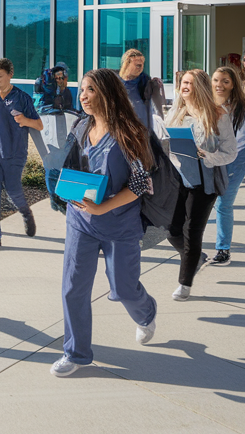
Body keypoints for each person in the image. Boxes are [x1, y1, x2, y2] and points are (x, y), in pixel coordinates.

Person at [52, 69, 157, 378]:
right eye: (81, 90)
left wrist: (106, 206)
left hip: (119, 224)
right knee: (73, 288)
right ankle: (76, 352)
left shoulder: (130, 131)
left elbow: (140, 184)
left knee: (124, 289)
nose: (82, 96)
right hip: (80, 220)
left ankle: (146, 312)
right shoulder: (82, 125)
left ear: (108, 94)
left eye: (90, 90)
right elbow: (73, 166)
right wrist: (68, 193)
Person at [163, 69, 236, 301]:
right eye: (184, 82)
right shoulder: (175, 112)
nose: (185, 87)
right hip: (178, 180)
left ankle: (184, 285)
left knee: (192, 231)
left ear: (201, 87)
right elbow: (164, 144)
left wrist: (206, 155)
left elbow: (231, 152)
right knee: (171, 229)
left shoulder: (218, 114)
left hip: (205, 182)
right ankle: (195, 258)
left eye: (191, 83)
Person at [0, 58, 43, 249]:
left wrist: (24, 120)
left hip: (15, 154)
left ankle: (25, 212)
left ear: (10, 75)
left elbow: (39, 125)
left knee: (13, 191)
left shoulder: (23, 98)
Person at [210, 67, 245, 265]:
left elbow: (242, 142)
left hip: (233, 163)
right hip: (208, 162)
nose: (219, 85)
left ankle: (223, 249)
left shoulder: (243, 109)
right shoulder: (207, 105)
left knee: (223, 204)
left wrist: (221, 157)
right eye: (216, 80)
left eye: (225, 81)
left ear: (234, 84)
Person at [117, 49, 167, 127]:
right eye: (138, 65)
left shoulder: (146, 81)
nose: (141, 67)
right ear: (127, 64)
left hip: (142, 126)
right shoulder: (116, 82)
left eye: (142, 64)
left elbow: (158, 108)